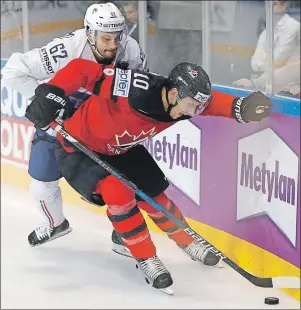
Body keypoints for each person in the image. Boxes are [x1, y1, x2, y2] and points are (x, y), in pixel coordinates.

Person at [25, 60, 272, 292]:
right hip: (80, 148)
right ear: (174, 94)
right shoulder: (134, 89)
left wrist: (240, 107)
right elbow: (84, 70)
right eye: (192, 106)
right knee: (118, 192)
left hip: (121, 149)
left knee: (155, 195)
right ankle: (146, 258)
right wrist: (51, 91)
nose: (196, 111)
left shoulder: (183, 101)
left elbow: (212, 103)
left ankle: (187, 241)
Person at [1, 2, 148, 253]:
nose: (113, 45)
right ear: (90, 33)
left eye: (116, 37)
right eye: (105, 38)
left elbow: (140, 92)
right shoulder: (66, 50)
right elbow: (14, 71)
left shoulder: (130, 50)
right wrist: (48, 102)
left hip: (102, 125)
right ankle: (55, 224)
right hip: (59, 126)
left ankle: (123, 233)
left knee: (125, 179)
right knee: (41, 185)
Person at [233, 0, 300, 90]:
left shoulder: (294, 27)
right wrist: (266, 65)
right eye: (266, 3)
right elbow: (255, 62)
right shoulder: (267, 30)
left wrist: (265, 62)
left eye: (274, 4)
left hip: (284, 86)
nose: (268, 7)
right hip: (263, 81)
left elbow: (278, 59)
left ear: (284, 5)